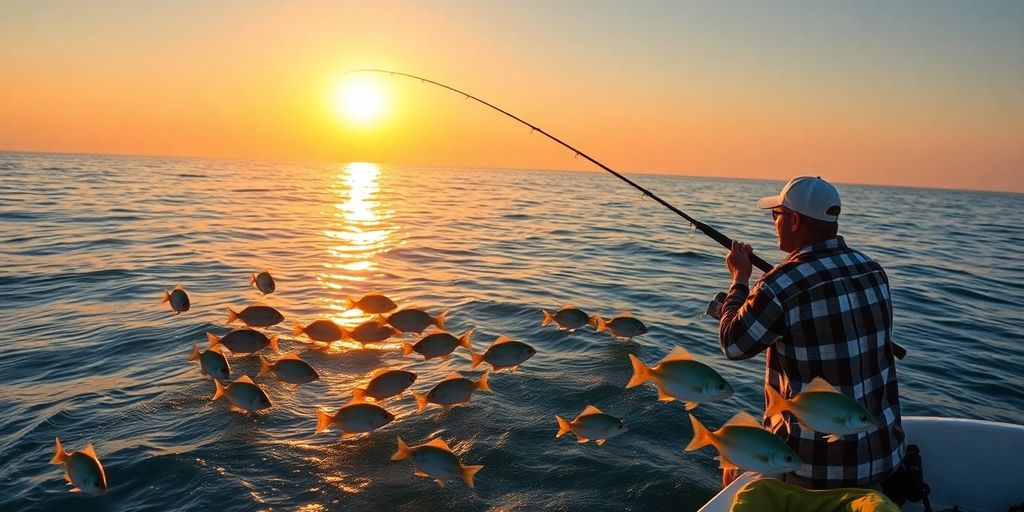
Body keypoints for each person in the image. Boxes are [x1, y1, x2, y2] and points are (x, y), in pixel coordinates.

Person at [718, 176, 906, 490]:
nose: (773, 223)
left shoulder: (779, 286)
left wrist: (739, 279)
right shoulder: (874, 270)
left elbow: (733, 344)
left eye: (775, 216)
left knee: (731, 472)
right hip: (886, 457)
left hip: (813, 472)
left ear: (794, 221)